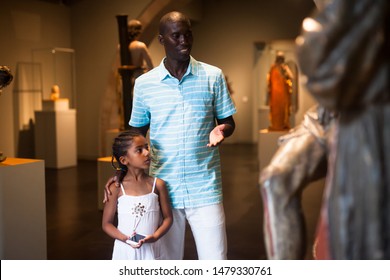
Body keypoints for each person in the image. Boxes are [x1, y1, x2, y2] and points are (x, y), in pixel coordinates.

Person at [104, 11, 236, 260]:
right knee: (165, 264)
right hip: (162, 189)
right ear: (162, 39)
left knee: (216, 261)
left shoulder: (213, 76)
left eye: (188, 34)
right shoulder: (145, 83)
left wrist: (223, 130)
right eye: (176, 36)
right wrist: (120, 173)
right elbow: (135, 134)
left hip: (205, 186)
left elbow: (228, 121)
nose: (184, 41)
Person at [102, 129, 173, 260]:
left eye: (146, 147)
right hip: (125, 249)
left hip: (152, 248)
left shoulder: (158, 185)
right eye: (139, 150)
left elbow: (168, 218)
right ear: (124, 160)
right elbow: (106, 223)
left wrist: (155, 236)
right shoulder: (117, 188)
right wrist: (126, 239)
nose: (147, 153)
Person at [266, 51, 294, 131]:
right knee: (275, 112)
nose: (280, 60)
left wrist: (285, 71)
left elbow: (291, 77)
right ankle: (275, 125)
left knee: (283, 111)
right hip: (275, 95)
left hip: (283, 94)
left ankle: (283, 125)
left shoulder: (284, 68)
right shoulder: (272, 68)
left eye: (281, 58)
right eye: (279, 58)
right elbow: (269, 82)